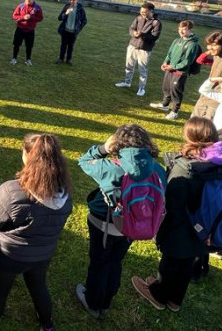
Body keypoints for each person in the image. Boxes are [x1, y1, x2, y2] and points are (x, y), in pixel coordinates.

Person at [132, 117, 222, 312]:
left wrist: (160, 233)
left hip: (181, 229)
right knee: (188, 264)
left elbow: (171, 207)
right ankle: (175, 300)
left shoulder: (184, 168)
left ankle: (159, 295)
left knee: (171, 262)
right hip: (210, 230)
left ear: (188, 138)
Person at [0, 134, 73, 331]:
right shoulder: (66, 194)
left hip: (9, 255)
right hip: (42, 254)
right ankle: (47, 324)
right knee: (38, 286)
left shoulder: (13, 190)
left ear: (28, 156)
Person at [76, 124, 164, 318]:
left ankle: (93, 302)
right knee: (116, 261)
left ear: (117, 143)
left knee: (99, 262)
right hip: (133, 226)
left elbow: (83, 161)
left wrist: (103, 149)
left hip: (103, 224)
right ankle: (106, 302)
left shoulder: (111, 167)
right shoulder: (157, 170)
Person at [150, 20, 201, 120]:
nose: (181, 32)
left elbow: (187, 61)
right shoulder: (176, 41)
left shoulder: (192, 44)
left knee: (176, 91)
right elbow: (169, 54)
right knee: (166, 87)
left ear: (190, 30)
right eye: (179, 29)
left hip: (180, 72)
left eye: (184, 29)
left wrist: (174, 67)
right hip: (170, 68)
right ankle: (165, 105)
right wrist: (165, 62)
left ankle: (175, 111)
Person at [115, 2, 162, 97]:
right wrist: (134, 33)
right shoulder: (138, 18)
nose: (142, 14)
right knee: (129, 65)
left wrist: (142, 35)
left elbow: (154, 37)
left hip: (145, 48)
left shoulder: (156, 22)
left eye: (144, 12)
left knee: (142, 69)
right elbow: (131, 28)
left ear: (151, 11)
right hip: (133, 45)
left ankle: (141, 88)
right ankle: (127, 82)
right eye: (141, 12)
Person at [11, 0, 44, 66]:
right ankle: (14, 58)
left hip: (30, 30)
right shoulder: (21, 6)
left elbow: (40, 18)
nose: (27, 1)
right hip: (20, 29)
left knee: (29, 46)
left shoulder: (37, 8)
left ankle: (28, 59)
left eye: (29, 0)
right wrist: (23, 17)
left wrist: (31, 17)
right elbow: (14, 16)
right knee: (16, 44)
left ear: (33, 0)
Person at [56, 0, 88, 65]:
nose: (72, 1)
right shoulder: (66, 6)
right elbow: (59, 18)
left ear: (77, 0)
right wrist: (66, 13)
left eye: (74, 0)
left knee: (71, 46)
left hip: (73, 32)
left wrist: (79, 28)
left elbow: (84, 20)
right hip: (65, 30)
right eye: (70, 0)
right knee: (63, 45)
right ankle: (61, 59)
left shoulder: (80, 9)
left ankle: (68, 60)